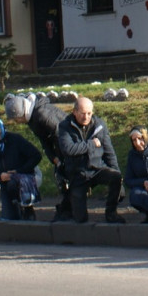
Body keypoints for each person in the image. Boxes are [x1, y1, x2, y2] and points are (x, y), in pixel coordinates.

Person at [55, 96, 125, 224]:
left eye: (89, 113)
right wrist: (91, 144)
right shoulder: (64, 126)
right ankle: (67, 208)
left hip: (97, 169)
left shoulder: (99, 125)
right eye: (82, 113)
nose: (86, 117)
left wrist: (120, 181)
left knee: (116, 176)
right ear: (74, 112)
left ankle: (111, 213)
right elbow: (69, 149)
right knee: (80, 219)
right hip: (77, 173)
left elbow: (109, 152)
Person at [4, 93, 70, 215]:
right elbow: (44, 140)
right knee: (61, 176)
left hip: (69, 147)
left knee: (65, 176)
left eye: (17, 118)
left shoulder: (41, 114)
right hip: (59, 151)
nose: (17, 122)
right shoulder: (32, 118)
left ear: (22, 113)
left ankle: (69, 207)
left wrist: (62, 159)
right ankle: (67, 206)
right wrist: (53, 158)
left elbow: (59, 134)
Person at [0, 116, 42, 221]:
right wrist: (0, 176)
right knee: (9, 219)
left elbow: (36, 156)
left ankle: (27, 208)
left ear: (2, 126)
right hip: (5, 183)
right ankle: (16, 208)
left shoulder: (16, 139)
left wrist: (19, 171)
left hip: (25, 178)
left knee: (13, 184)